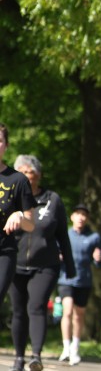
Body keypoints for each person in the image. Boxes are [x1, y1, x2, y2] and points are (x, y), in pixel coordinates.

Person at [9, 155, 76, 371]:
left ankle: (36, 356)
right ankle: (19, 357)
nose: (28, 177)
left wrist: (70, 266)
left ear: (39, 175)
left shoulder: (52, 200)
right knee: (18, 311)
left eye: (32, 173)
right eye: (23, 173)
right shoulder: (10, 197)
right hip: (15, 263)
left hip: (45, 265)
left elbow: (63, 235)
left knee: (36, 306)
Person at [0, 128, 39, 352]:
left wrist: (18, 216)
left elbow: (31, 224)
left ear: (6, 145)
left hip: (4, 251)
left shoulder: (18, 180)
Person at [56, 203, 101, 366]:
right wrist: (58, 257)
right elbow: (55, 253)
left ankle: (75, 348)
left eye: (84, 215)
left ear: (87, 218)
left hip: (84, 280)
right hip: (66, 279)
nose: (81, 217)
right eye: (78, 214)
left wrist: (98, 258)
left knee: (79, 314)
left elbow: (100, 261)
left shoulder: (94, 237)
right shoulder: (65, 234)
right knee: (67, 311)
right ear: (72, 217)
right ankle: (66, 347)